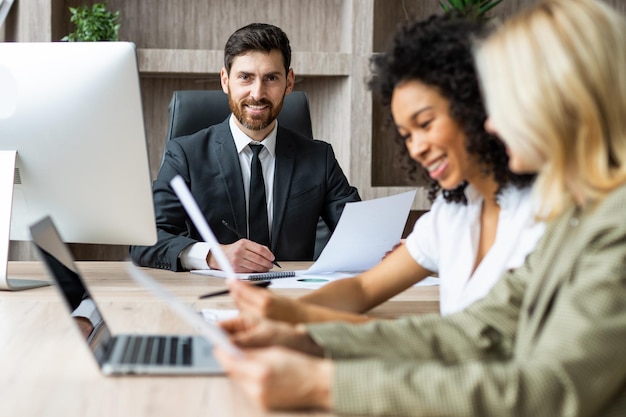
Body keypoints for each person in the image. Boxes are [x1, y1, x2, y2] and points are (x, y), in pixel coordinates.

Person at [215, 0, 626, 415]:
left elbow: (550, 391)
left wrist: (324, 384)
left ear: (572, 101)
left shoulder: (610, 225)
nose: (491, 123)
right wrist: (309, 340)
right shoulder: (577, 218)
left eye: (507, 103)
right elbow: (472, 333)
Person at [224, 13, 543, 322]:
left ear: (474, 105)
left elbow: (482, 339)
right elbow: (363, 288)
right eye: (406, 135)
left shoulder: (546, 213)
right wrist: (282, 313)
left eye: (426, 124)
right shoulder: (452, 212)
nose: (416, 148)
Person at [130, 23, 360, 273]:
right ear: (225, 80)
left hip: (292, 299)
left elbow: (360, 234)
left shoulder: (319, 158)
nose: (257, 93)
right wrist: (211, 255)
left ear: (289, 82)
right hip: (211, 298)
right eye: (245, 77)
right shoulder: (185, 154)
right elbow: (146, 241)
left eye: (271, 78)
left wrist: (394, 248)